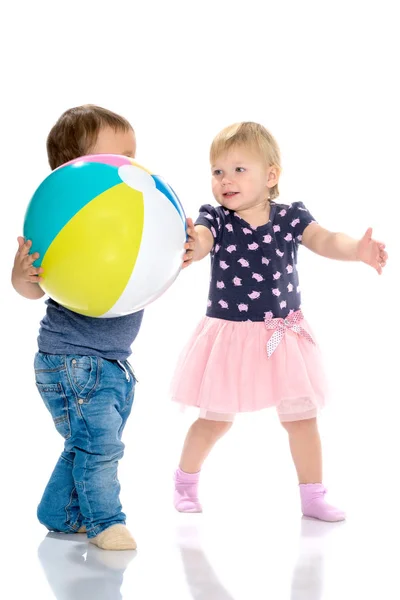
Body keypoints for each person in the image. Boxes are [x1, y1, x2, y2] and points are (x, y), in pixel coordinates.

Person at [172, 121, 388, 522]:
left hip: (281, 334)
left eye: (239, 169)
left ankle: (313, 495)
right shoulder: (216, 219)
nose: (225, 180)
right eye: (218, 171)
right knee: (215, 421)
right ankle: (184, 481)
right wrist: (191, 245)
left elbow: (324, 239)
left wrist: (356, 249)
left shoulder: (290, 217)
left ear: (270, 176)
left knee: (302, 420)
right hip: (230, 336)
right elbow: (201, 240)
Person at [12, 104, 195, 550]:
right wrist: (21, 273)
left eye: (135, 153)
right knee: (101, 446)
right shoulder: (68, 218)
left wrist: (181, 251)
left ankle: (58, 513)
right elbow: (31, 290)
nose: (134, 164)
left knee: (86, 442)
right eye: (122, 155)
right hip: (71, 360)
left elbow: (145, 278)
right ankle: (105, 523)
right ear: (79, 168)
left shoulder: (131, 215)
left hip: (111, 363)